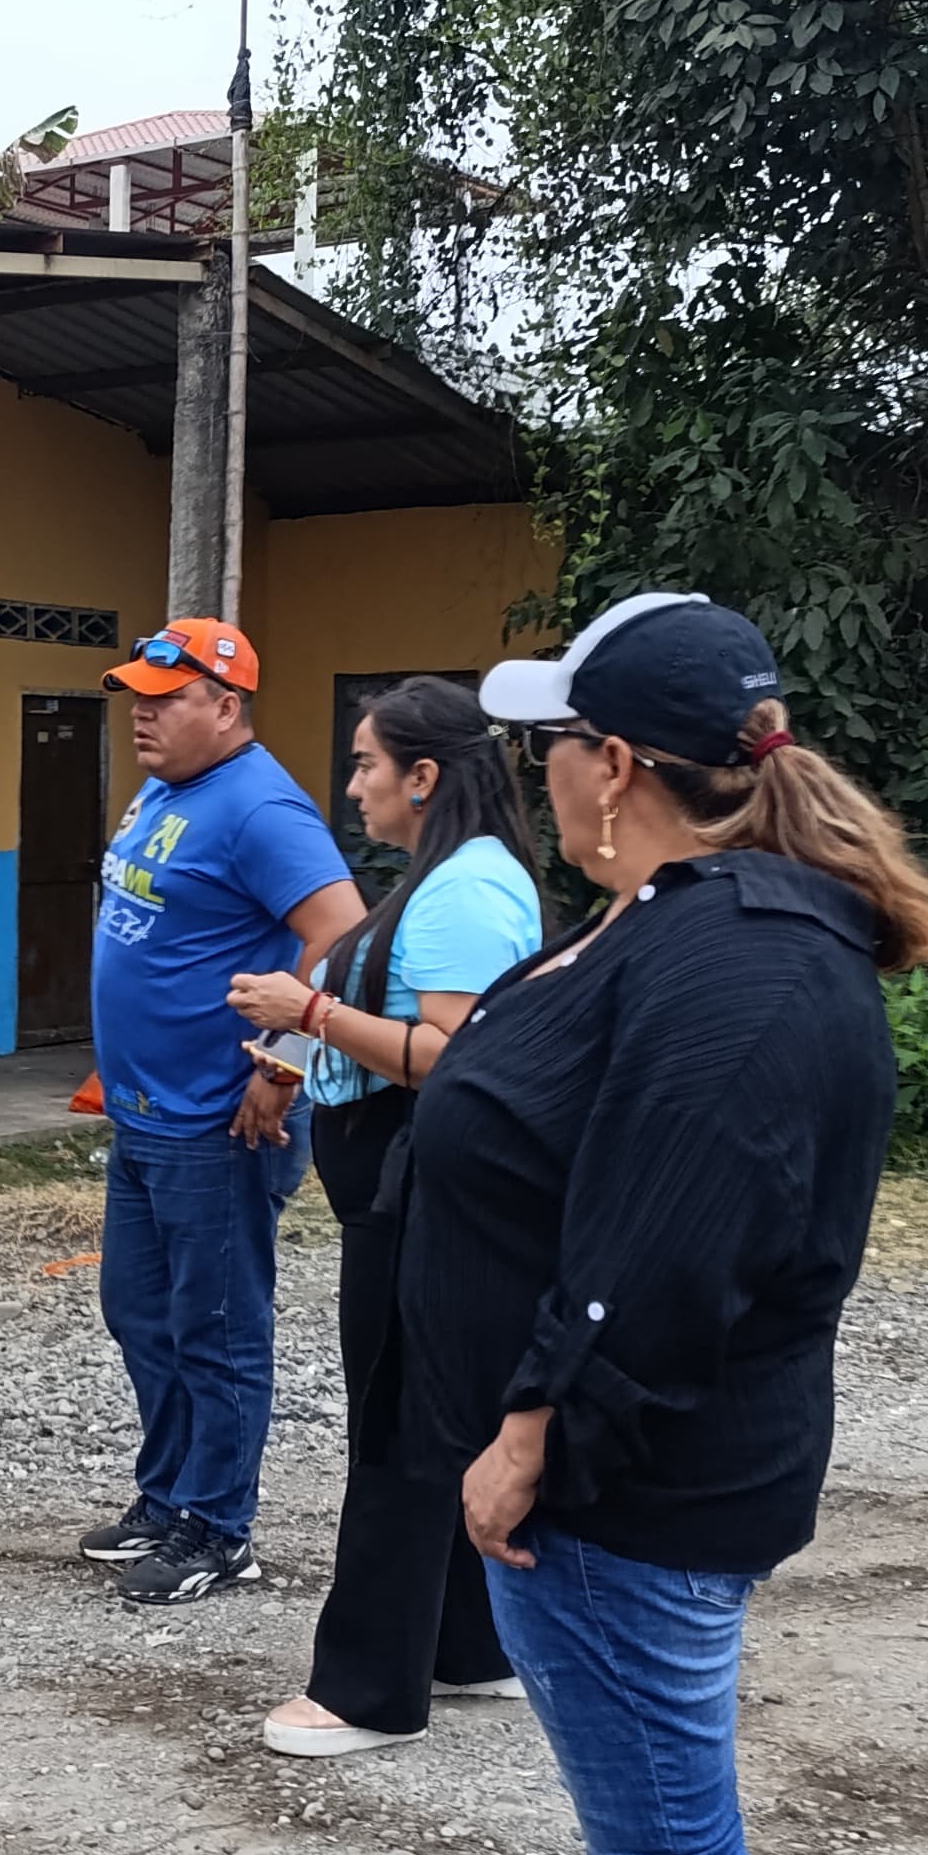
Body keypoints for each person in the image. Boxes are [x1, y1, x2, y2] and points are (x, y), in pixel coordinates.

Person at [397, 592, 928, 1855]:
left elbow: (661, 1260)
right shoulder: (678, 914)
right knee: (639, 1843)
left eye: (553, 741)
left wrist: (527, 1441)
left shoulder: (749, 966)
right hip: (612, 1486)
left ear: (617, 761)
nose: (541, 770)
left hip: (630, 1494)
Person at [221, 674, 546, 1756]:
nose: (352, 785)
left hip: (421, 1195)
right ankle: (467, 1646)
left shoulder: (465, 893)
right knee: (428, 1420)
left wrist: (309, 1010)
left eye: (366, 764)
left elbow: (456, 1057)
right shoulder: (450, 877)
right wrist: (307, 1042)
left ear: (424, 776)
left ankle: (367, 1691)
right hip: (401, 1192)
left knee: (399, 1430)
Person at [79, 617, 366, 1608]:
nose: (142, 717)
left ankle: (218, 1527)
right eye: (137, 699)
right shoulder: (168, 788)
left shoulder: (261, 809)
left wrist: (285, 1064)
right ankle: (168, 1497)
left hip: (218, 1121)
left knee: (216, 1327)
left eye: (166, 701)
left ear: (227, 707)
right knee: (139, 1312)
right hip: (147, 1114)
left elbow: (341, 934)